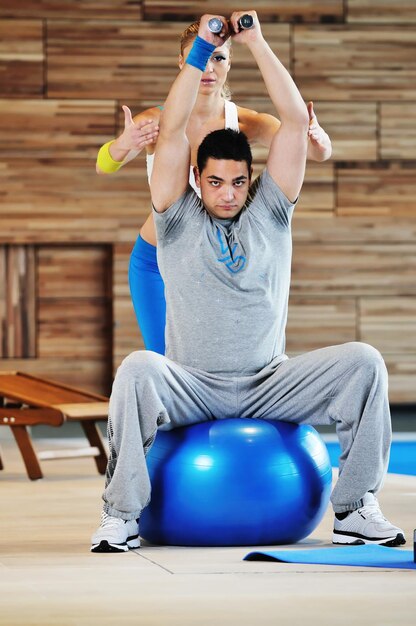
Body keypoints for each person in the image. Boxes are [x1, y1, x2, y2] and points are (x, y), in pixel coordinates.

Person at [91, 11, 405, 553]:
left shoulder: (272, 212)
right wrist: (200, 52)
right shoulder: (175, 216)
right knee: (138, 368)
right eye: (214, 182)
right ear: (196, 179)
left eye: (238, 182)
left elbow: (290, 118)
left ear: (252, 181)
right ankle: (121, 516)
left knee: (365, 362)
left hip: (268, 382)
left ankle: (355, 509)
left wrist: (255, 40)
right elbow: (169, 133)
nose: (228, 194)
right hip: (192, 382)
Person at [96, 20, 332, 355]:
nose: (208, 68)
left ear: (230, 63)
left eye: (218, 58)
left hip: (214, 258)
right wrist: (123, 143)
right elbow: (103, 164)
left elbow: (307, 149)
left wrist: (320, 141)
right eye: (199, 56)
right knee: (166, 362)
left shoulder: (247, 122)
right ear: (182, 63)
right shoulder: (161, 121)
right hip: (156, 259)